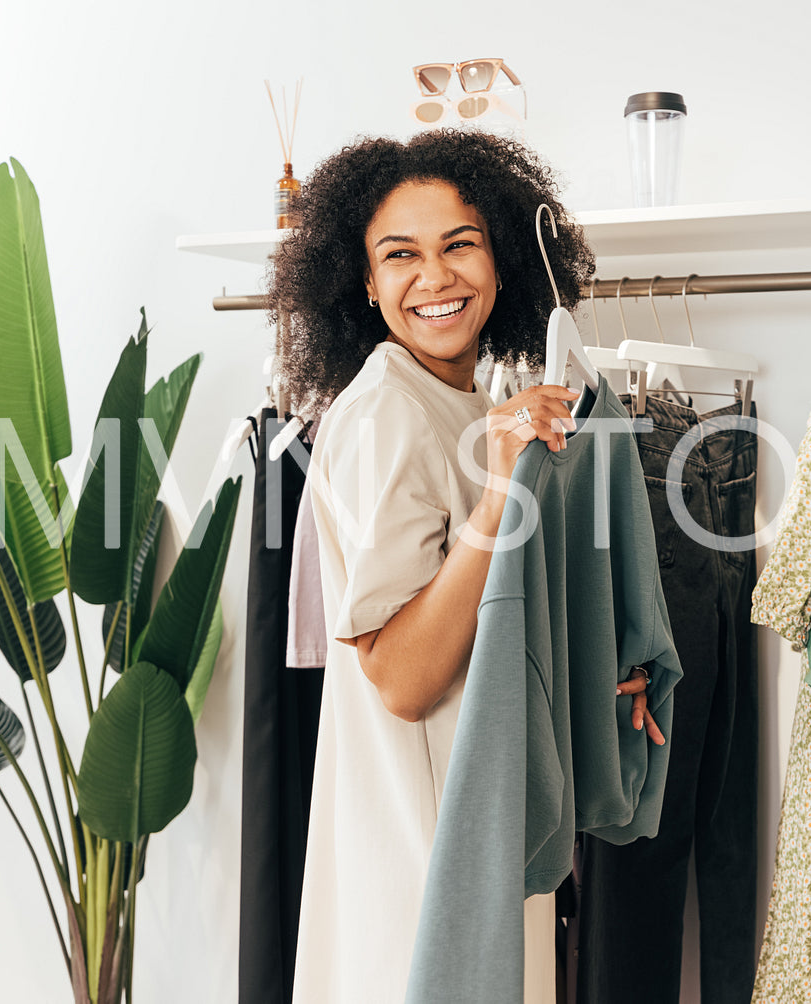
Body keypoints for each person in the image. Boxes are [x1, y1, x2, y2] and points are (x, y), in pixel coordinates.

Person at [266, 129, 663, 1002]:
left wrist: (586, 687)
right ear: (362, 285)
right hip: (421, 858)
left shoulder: (473, 398)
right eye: (399, 255)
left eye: (459, 245)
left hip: (473, 827)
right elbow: (403, 678)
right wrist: (493, 498)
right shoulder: (385, 416)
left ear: (501, 260)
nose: (435, 277)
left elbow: (491, 625)